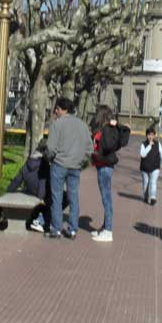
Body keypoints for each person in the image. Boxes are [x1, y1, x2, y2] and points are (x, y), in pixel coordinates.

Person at [45, 97, 93, 240]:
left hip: (59, 164)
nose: (55, 112)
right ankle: (72, 229)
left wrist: (48, 158)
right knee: (73, 198)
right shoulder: (82, 125)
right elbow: (89, 149)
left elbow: (51, 149)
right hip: (75, 166)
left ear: (61, 109)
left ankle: (56, 229)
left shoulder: (56, 124)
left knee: (57, 197)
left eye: (56, 109)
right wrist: (81, 161)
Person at [90, 104, 130, 242]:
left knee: (106, 198)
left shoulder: (107, 130)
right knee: (105, 197)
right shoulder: (108, 129)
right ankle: (105, 227)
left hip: (104, 165)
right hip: (104, 165)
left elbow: (107, 146)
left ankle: (108, 230)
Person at [7, 139, 51, 233]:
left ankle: (34, 219)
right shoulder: (44, 164)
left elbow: (18, 179)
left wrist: (8, 191)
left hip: (30, 191)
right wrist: (41, 198)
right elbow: (42, 184)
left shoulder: (28, 161)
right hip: (40, 194)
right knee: (62, 197)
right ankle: (40, 221)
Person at [140, 127, 162, 205]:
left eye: (152, 135)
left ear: (154, 135)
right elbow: (143, 154)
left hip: (155, 167)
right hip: (145, 168)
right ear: (146, 136)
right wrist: (149, 146)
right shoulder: (143, 144)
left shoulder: (158, 144)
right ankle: (145, 196)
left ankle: (153, 198)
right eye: (149, 135)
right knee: (146, 183)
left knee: (153, 182)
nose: (150, 137)